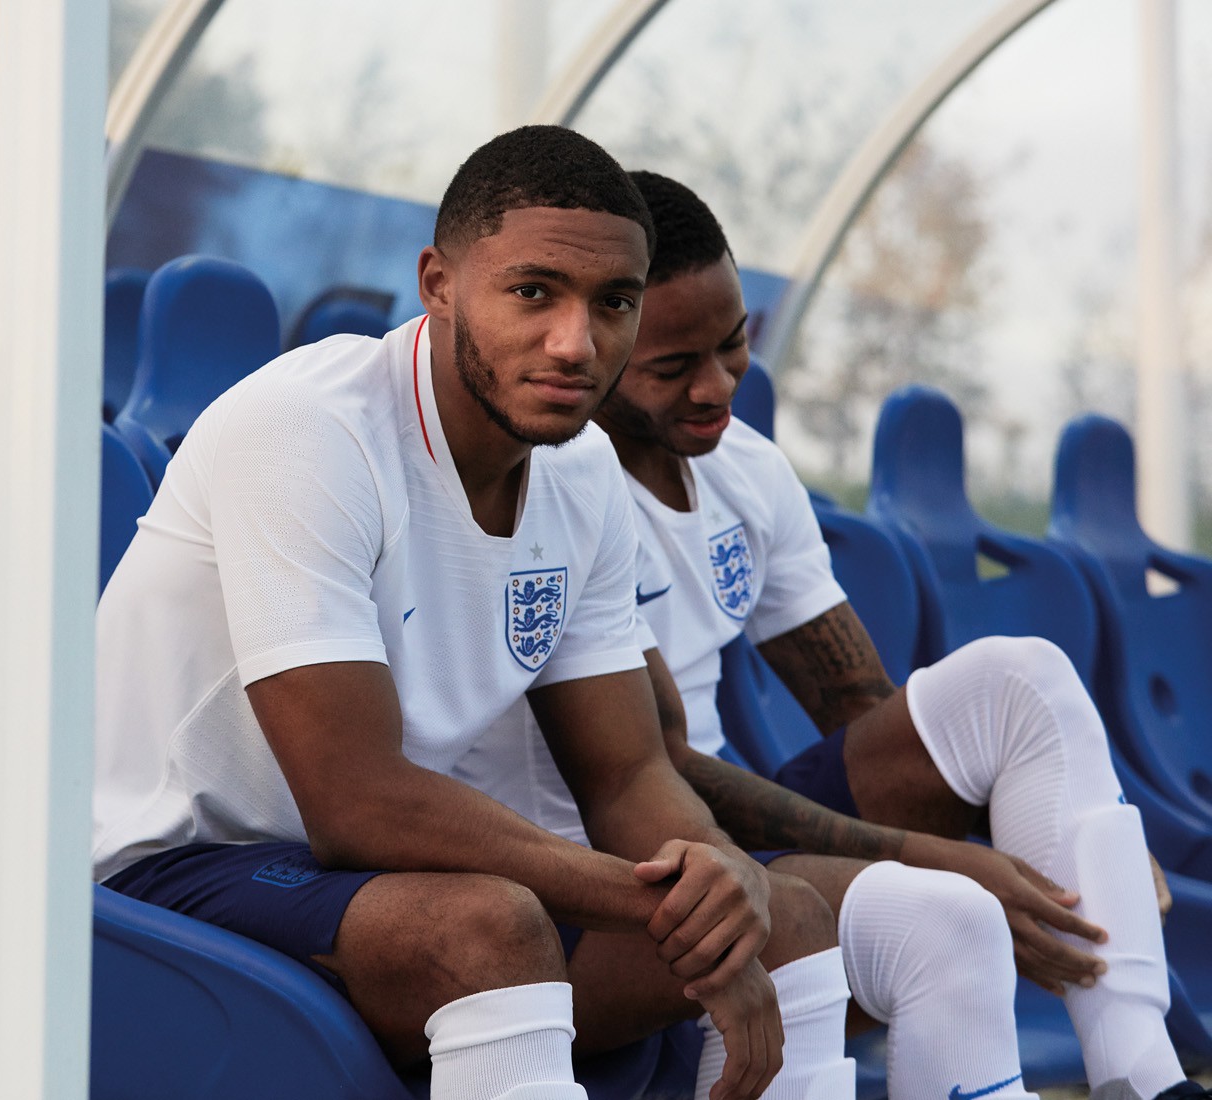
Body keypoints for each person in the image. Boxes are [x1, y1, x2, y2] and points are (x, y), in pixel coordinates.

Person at [93, 127, 858, 1100]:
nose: (577, 342)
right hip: (170, 871)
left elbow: (625, 771)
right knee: (488, 926)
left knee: (785, 914)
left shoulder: (582, 471)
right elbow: (357, 800)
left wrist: (719, 877)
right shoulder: (309, 428)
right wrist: (662, 894)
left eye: (613, 302)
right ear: (439, 282)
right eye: (534, 291)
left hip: (355, 879)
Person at [456, 168, 1203, 1100]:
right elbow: (653, 768)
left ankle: (1145, 1074)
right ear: (603, 349)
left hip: (721, 830)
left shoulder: (750, 471)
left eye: (733, 348)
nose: (716, 385)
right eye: (673, 365)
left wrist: (1053, 847)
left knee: (1020, 681)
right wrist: (943, 860)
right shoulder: (553, 484)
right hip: (609, 861)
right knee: (946, 911)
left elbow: (864, 709)